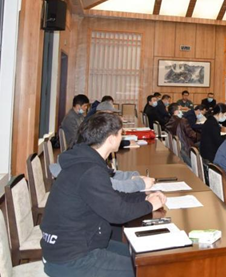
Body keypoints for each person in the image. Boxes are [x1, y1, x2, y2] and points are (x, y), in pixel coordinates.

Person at [41, 113, 166, 277]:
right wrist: (149, 205)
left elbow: (112, 196)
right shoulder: (90, 171)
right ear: (111, 139)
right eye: (121, 134)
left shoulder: (85, 161)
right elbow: (117, 213)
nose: (122, 138)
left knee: (146, 257)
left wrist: (143, 197)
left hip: (81, 243)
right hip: (71, 259)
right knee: (150, 269)